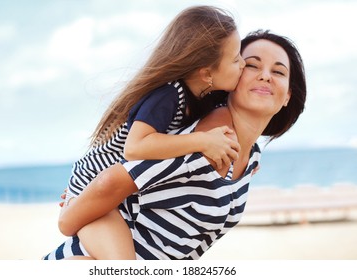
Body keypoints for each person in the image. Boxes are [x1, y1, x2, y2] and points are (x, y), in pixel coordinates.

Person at [43, 29, 306, 260]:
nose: (265, 76)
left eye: (278, 71)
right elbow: (112, 180)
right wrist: (71, 214)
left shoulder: (251, 158)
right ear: (232, 76)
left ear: (288, 96)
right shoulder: (204, 142)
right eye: (250, 65)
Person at [65, 5, 244, 208]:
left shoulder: (208, 95)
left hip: (117, 186)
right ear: (206, 74)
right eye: (236, 58)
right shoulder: (168, 95)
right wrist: (202, 140)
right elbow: (134, 147)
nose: (243, 64)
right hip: (92, 181)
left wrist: (244, 160)